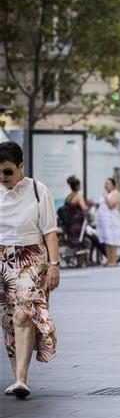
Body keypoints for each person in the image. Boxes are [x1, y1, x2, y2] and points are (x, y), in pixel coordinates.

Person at [0, 141, 60, 399]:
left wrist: (54, 266)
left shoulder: (38, 190)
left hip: (31, 258)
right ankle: (17, 378)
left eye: (7, 171)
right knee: (9, 320)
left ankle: (22, 379)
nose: (3, 177)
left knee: (24, 316)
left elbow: (49, 231)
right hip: (2, 258)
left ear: (21, 166)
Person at [96, 178, 120, 266]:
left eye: (108, 183)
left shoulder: (115, 194)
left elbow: (111, 205)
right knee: (106, 240)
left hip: (112, 221)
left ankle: (113, 260)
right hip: (104, 221)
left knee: (112, 240)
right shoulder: (105, 194)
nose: (106, 185)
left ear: (113, 185)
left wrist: (106, 199)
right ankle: (109, 259)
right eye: (106, 183)